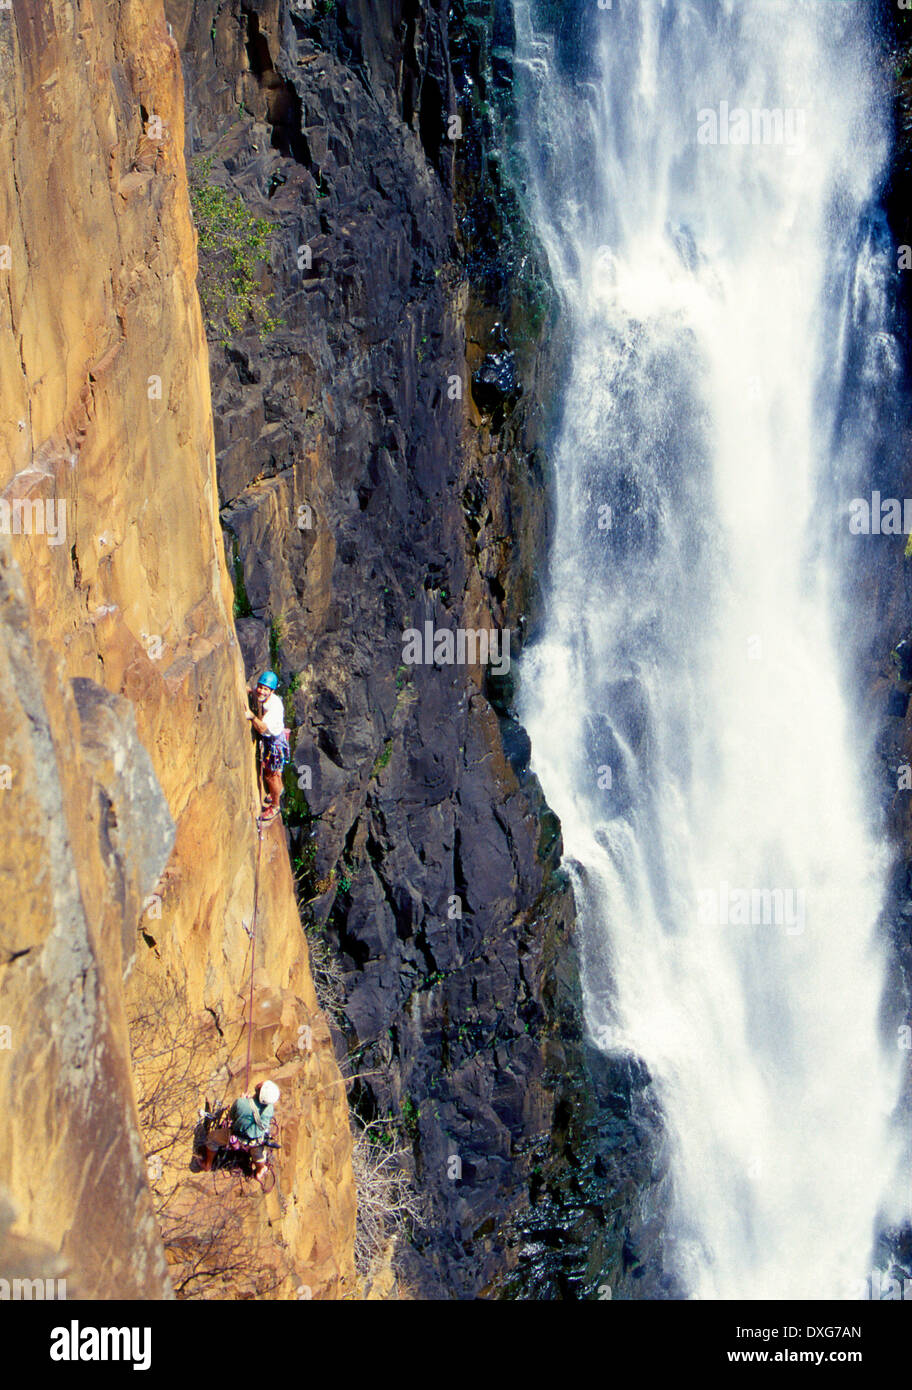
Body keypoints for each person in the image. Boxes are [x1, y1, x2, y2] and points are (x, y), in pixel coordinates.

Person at [244, 671, 288, 823]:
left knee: (271, 775)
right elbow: (255, 691)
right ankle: (278, 790)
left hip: (274, 742)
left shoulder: (273, 710)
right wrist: (250, 691)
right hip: (276, 738)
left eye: (265, 689)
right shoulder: (267, 695)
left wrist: (251, 716)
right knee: (276, 772)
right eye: (260, 687)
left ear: (272, 691)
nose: (261, 691)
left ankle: (275, 806)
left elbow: (262, 728)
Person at [229, 1080, 280, 1185]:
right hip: (256, 1142)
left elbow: (231, 1116)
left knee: (212, 1139)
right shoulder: (269, 1109)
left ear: (259, 1089)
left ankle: (207, 1164)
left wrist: (243, 1101)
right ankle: (260, 1170)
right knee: (259, 1156)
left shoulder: (240, 1102)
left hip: (238, 1137)